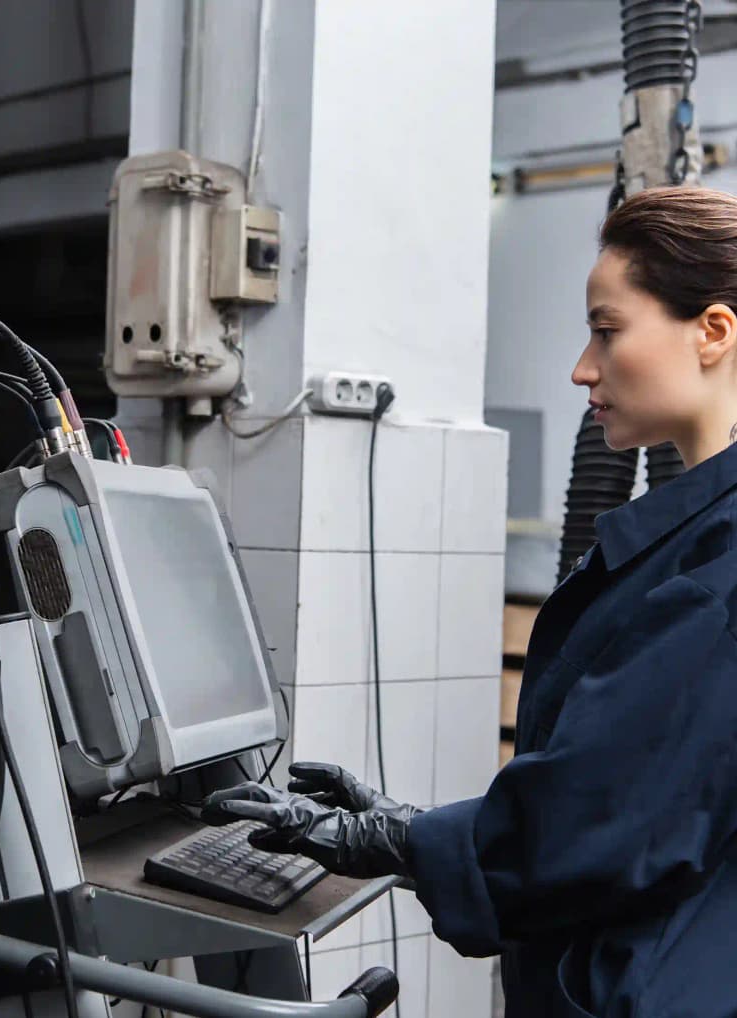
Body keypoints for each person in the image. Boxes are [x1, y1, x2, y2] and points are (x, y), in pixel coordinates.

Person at [202, 186, 737, 1017]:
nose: (582, 366)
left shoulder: (721, 568)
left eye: (607, 329)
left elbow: (598, 816)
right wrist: (409, 828)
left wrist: (392, 839)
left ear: (712, 332)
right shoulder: (699, 533)